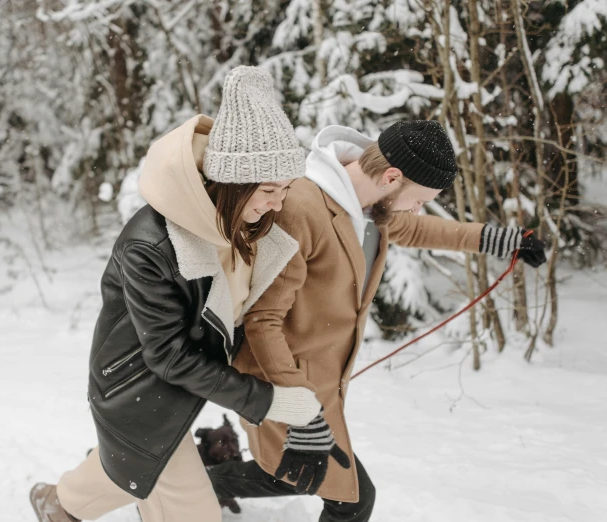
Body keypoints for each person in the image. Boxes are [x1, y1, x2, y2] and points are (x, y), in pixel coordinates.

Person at [207, 120, 547, 522]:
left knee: (295, 474)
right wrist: (300, 410)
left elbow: (418, 228)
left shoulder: (369, 206)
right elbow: (263, 322)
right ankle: (193, 483)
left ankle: (200, 481)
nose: (418, 207)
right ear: (391, 176)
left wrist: (497, 239)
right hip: (280, 378)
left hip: (319, 378)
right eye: (421, 198)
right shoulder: (300, 208)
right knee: (351, 500)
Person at [29, 66, 324, 522]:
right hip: (139, 391)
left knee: (128, 470)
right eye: (268, 190)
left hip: (180, 386)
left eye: (285, 189)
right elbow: (167, 356)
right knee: (188, 507)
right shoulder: (151, 244)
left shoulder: (247, 225)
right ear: (232, 182)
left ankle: (58, 503)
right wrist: (267, 400)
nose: (278, 203)